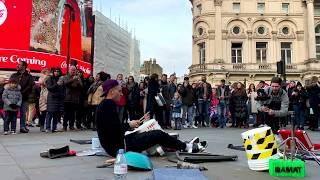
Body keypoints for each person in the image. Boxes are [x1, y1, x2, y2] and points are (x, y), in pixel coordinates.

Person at [96, 80, 207, 157]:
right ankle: (186, 147)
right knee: (157, 134)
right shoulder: (108, 105)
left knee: (150, 131)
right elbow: (115, 131)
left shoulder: (104, 105)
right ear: (111, 92)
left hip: (114, 145)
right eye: (119, 91)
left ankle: (176, 144)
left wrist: (133, 125)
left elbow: (111, 129)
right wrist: (129, 125)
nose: (121, 94)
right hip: (119, 147)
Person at [10, 61, 34, 133]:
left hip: (24, 97)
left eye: (19, 65)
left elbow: (30, 86)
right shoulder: (14, 75)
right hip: (14, 97)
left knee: (23, 113)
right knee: (13, 112)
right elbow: (10, 84)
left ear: (24, 66)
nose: (17, 66)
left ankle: (22, 127)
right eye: (18, 64)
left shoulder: (29, 76)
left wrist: (21, 92)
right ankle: (12, 128)